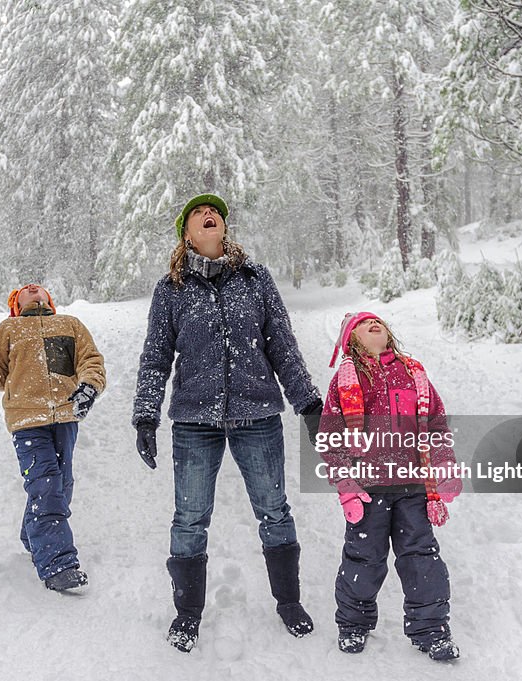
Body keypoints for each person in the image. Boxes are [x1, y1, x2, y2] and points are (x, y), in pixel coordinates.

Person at [132, 193, 323, 652]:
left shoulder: (255, 280)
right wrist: (145, 415)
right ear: (187, 234)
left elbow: (281, 343)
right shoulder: (171, 290)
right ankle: (187, 613)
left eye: (213, 210)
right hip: (194, 421)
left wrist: (307, 403)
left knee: (273, 509)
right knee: (190, 518)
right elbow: (156, 357)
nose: (208, 214)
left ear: (223, 227)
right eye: (197, 213)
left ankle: (289, 601)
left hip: (257, 413)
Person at [318, 311, 462, 660]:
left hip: (413, 485)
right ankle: (353, 624)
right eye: (362, 324)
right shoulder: (347, 379)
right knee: (363, 558)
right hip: (368, 488)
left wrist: (444, 464)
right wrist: (346, 484)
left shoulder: (413, 373)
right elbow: (330, 436)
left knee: (421, 559)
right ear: (351, 341)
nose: (373, 324)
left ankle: (431, 630)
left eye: (377, 321)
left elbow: (436, 424)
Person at [0, 284, 105, 592]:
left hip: (64, 415)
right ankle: (57, 564)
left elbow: (91, 361)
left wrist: (89, 386)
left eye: (39, 289)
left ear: (50, 300)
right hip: (26, 421)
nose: (33, 289)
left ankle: (32, 535)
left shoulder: (70, 325)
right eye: (24, 291)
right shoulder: (10, 329)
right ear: (16, 306)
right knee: (46, 484)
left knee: (60, 484)